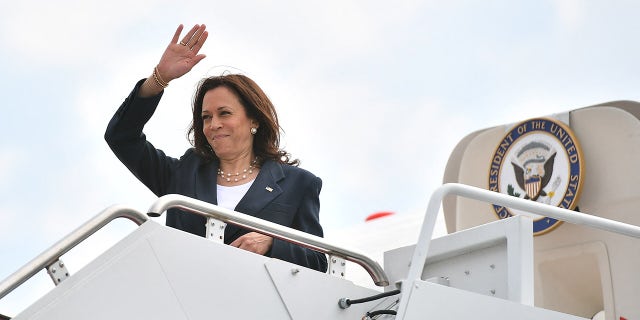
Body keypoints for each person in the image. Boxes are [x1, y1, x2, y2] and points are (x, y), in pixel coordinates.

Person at [105, 24, 327, 272]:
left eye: (225, 113)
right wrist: (159, 79)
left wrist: (271, 243)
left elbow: (318, 261)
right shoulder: (183, 174)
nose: (214, 124)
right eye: (206, 117)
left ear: (254, 119)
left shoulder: (299, 183)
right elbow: (122, 138)